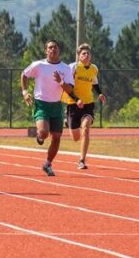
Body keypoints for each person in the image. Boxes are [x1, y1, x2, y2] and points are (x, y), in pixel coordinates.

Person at [21, 39, 75, 176]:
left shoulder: (65, 68)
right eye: (50, 47)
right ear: (46, 51)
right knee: (44, 133)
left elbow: (70, 89)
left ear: (59, 50)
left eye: (55, 47)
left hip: (56, 105)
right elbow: (24, 75)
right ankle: (40, 136)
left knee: (56, 137)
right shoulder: (39, 65)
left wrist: (61, 82)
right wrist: (25, 92)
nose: (53, 49)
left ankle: (48, 164)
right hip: (41, 104)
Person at [61, 43, 107, 170]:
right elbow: (66, 86)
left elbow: (95, 83)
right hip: (73, 104)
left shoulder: (94, 69)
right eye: (83, 54)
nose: (86, 55)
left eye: (88, 53)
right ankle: (67, 121)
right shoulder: (73, 67)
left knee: (85, 128)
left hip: (88, 104)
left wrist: (100, 93)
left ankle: (82, 160)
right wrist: (76, 100)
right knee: (75, 138)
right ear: (79, 56)